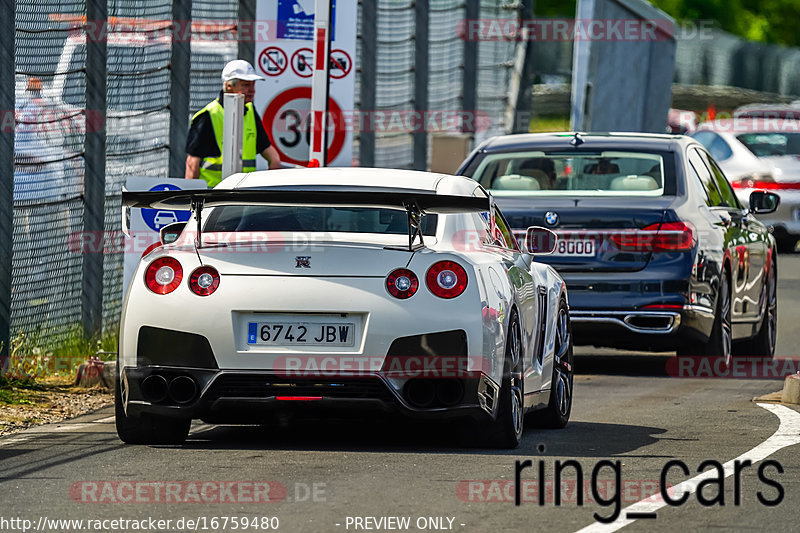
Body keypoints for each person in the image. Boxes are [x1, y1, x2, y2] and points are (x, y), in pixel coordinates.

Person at [185, 60, 281, 186]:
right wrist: (193, 200)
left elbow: (271, 155)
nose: (252, 90)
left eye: (253, 85)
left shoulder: (250, 110)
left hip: (243, 194)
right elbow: (192, 163)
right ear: (229, 86)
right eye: (246, 85)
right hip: (212, 196)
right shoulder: (208, 116)